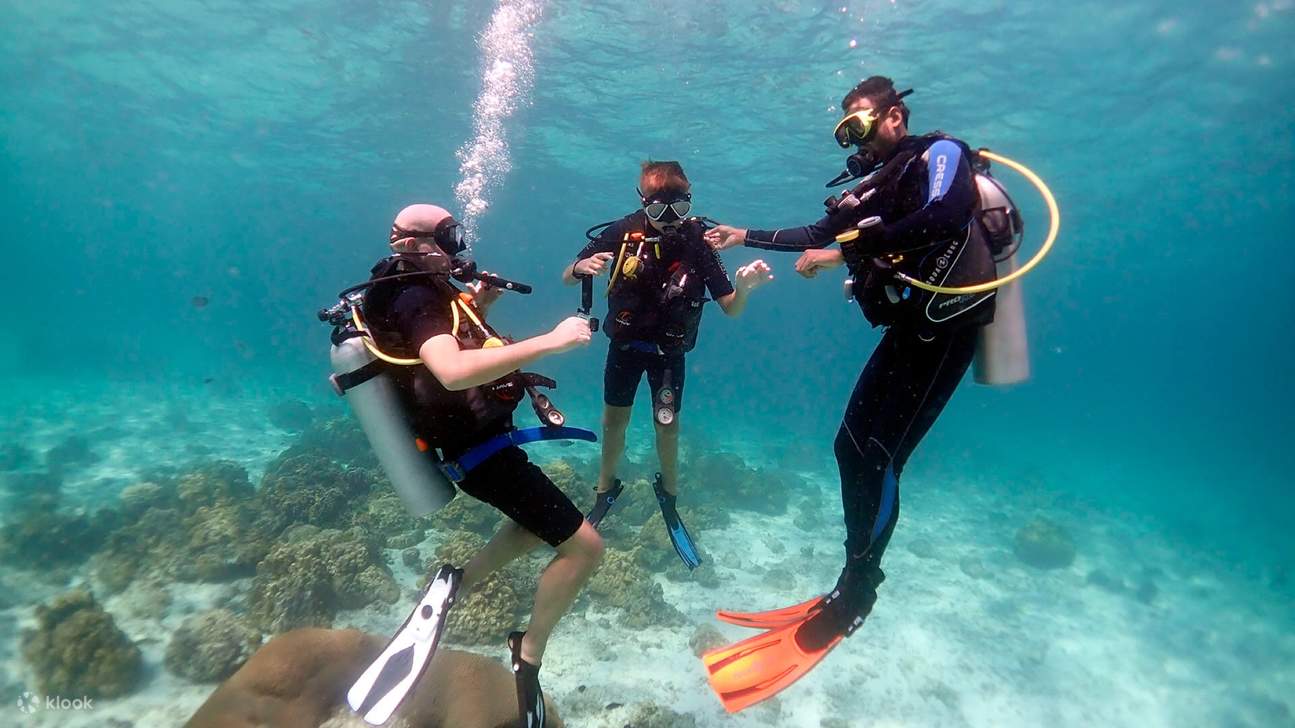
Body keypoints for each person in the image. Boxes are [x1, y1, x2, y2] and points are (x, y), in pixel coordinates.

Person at [700, 76, 999, 711]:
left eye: (859, 125)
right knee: (849, 447)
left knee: (881, 455)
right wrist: (741, 234)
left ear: (895, 116)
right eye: (844, 131)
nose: (852, 140)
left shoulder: (936, 153)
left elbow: (946, 215)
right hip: (912, 329)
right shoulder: (871, 187)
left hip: (945, 331)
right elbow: (817, 231)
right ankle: (851, 569)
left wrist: (856, 244)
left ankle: (859, 588)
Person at [342, 203, 603, 727]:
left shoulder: (406, 290)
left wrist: (479, 305)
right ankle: (528, 654)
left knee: (534, 529)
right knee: (585, 549)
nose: (459, 247)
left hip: (479, 443)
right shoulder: (416, 295)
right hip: (476, 451)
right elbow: (452, 370)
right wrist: (550, 343)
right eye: (448, 236)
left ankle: (457, 581)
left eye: (456, 233)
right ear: (411, 244)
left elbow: (434, 350)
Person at [561, 161, 772, 569]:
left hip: (669, 356)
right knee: (613, 424)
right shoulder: (621, 233)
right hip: (624, 349)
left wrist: (744, 289)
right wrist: (578, 267)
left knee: (668, 428)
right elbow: (568, 276)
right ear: (643, 204)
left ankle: (669, 492)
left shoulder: (698, 241)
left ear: (690, 203)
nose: (670, 222)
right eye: (659, 212)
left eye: (679, 210)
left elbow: (730, 307)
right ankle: (605, 489)